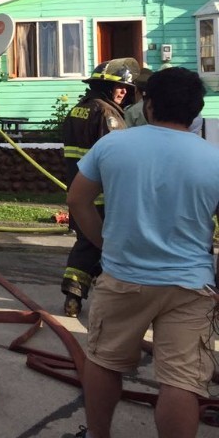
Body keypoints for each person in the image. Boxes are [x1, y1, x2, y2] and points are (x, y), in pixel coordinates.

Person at [66, 66, 219, 438]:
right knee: (182, 382)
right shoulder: (213, 160)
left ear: (148, 104)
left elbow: (77, 200)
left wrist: (104, 243)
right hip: (189, 286)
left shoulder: (114, 145)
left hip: (123, 277)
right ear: (195, 111)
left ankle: (97, 435)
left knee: (104, 363)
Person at [60, 57, 137, 318]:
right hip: (103, 195)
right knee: (101, 244)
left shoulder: (77, 110)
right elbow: (117, 156)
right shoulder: (108, 114)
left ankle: (74, 295)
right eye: (119, 86)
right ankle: (90, 298)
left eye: (127, 88)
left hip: (78, 191)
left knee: (86, 242)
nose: (124, 91)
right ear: (103, 86)